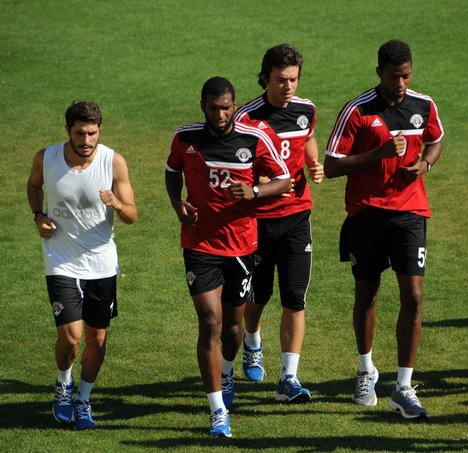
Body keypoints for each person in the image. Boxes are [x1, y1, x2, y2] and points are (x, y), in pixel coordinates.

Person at [324, 39, 443, 419]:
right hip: (367, 214)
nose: (402, 83)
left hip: (410, 211)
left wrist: (424, 165)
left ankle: (403, 387)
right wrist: (379, 153)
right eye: (394, 77)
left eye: (406, 75)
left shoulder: (423, 105)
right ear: (379, 73)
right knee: (367, 294)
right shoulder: (357, 110)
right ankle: (365, 370)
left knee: (414, 296)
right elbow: (331, 166)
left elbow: (436, 140)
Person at [165, 77, 290, 438]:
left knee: (233, 328)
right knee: (211, 323)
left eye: (226, 108)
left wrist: (254, 191)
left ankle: (227, 368)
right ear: (202, 106)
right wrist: (177, 204)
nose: (220, 115)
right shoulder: (185, 138)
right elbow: (172, 171)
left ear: (234, 105)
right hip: (200, 244)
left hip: (241, 246)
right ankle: (217, 411)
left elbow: (284, 180)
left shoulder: (254, 138)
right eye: (213, 108)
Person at [26, 100, 138, 429]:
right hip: (60, 259)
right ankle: (64, 383)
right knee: (72, 337)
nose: (86, 141)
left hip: (101, 263)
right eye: (79, 133)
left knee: (97, 339)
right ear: (68, 131)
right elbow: (33, 186)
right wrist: (38, 215)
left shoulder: (113, 162)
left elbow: (132, 215)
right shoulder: (46, 158)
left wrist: (116, 203)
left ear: (99, 131)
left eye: (92, 133)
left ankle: (83, 398)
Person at [234, 44, 323, 403]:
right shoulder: (246, 118)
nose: (288, 87)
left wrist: (313, 164)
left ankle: (289, 377)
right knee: (259, 293)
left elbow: (309, 137)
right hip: (259, 220)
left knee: (295, 297)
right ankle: (252, 340)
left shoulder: (306, 110)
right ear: (265, 78)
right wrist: (258, 185)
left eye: (293, 79)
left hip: (297, 216)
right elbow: (237, 162)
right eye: (281, 80)